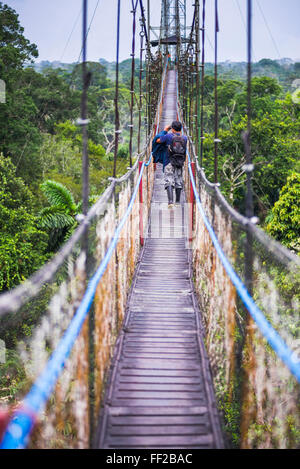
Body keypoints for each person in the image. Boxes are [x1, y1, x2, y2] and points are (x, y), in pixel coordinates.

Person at [155, 120, 187, 208]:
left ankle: (170, 202)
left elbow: (157, 140)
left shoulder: (168, 136)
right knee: (178, 180)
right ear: (181, 129)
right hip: (180, 162)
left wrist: (165, 130)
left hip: (169, 161)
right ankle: (177, 202)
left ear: (172, 129)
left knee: (169, 180)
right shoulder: (185, 138)